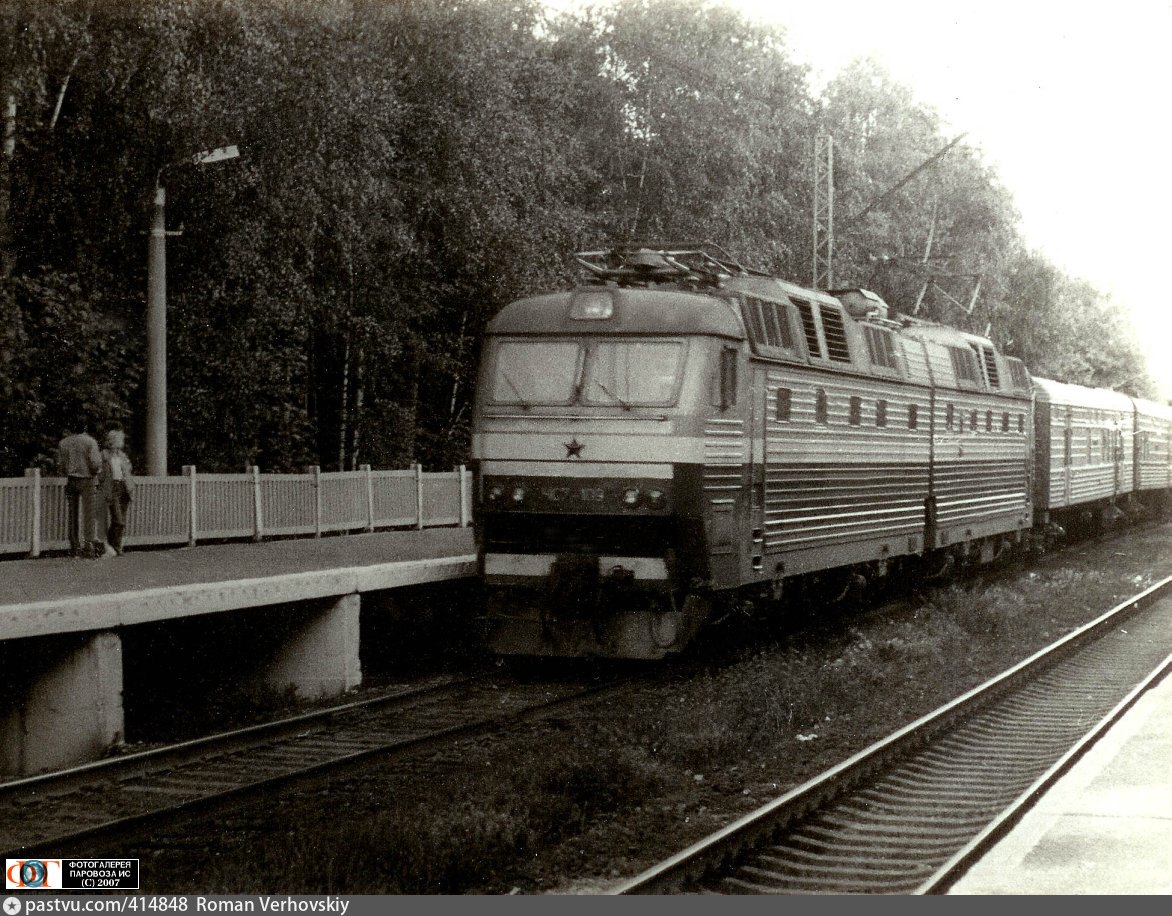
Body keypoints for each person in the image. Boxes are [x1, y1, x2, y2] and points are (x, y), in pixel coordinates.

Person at [56, 423, 102, 557]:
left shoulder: (63, 443)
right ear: (85, 427)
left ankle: (74, 546)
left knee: (72, 514)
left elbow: (61, 464)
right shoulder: (90, 441)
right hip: (87, 479)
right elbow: (95, 463)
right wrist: (96, 471)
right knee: (89, 514)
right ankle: (89, 545)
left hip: (71, 479)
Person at [98, 428, 135, 557]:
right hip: (111, 487)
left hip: (124, 487)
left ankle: (116, 546)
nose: (122, 442)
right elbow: (99, 471)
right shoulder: (103, 454)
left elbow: (128, 468)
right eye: (120, 439)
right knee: (118, 520)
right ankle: (109, 544)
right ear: (113, 441)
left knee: (121, 520)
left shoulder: (122, 455)